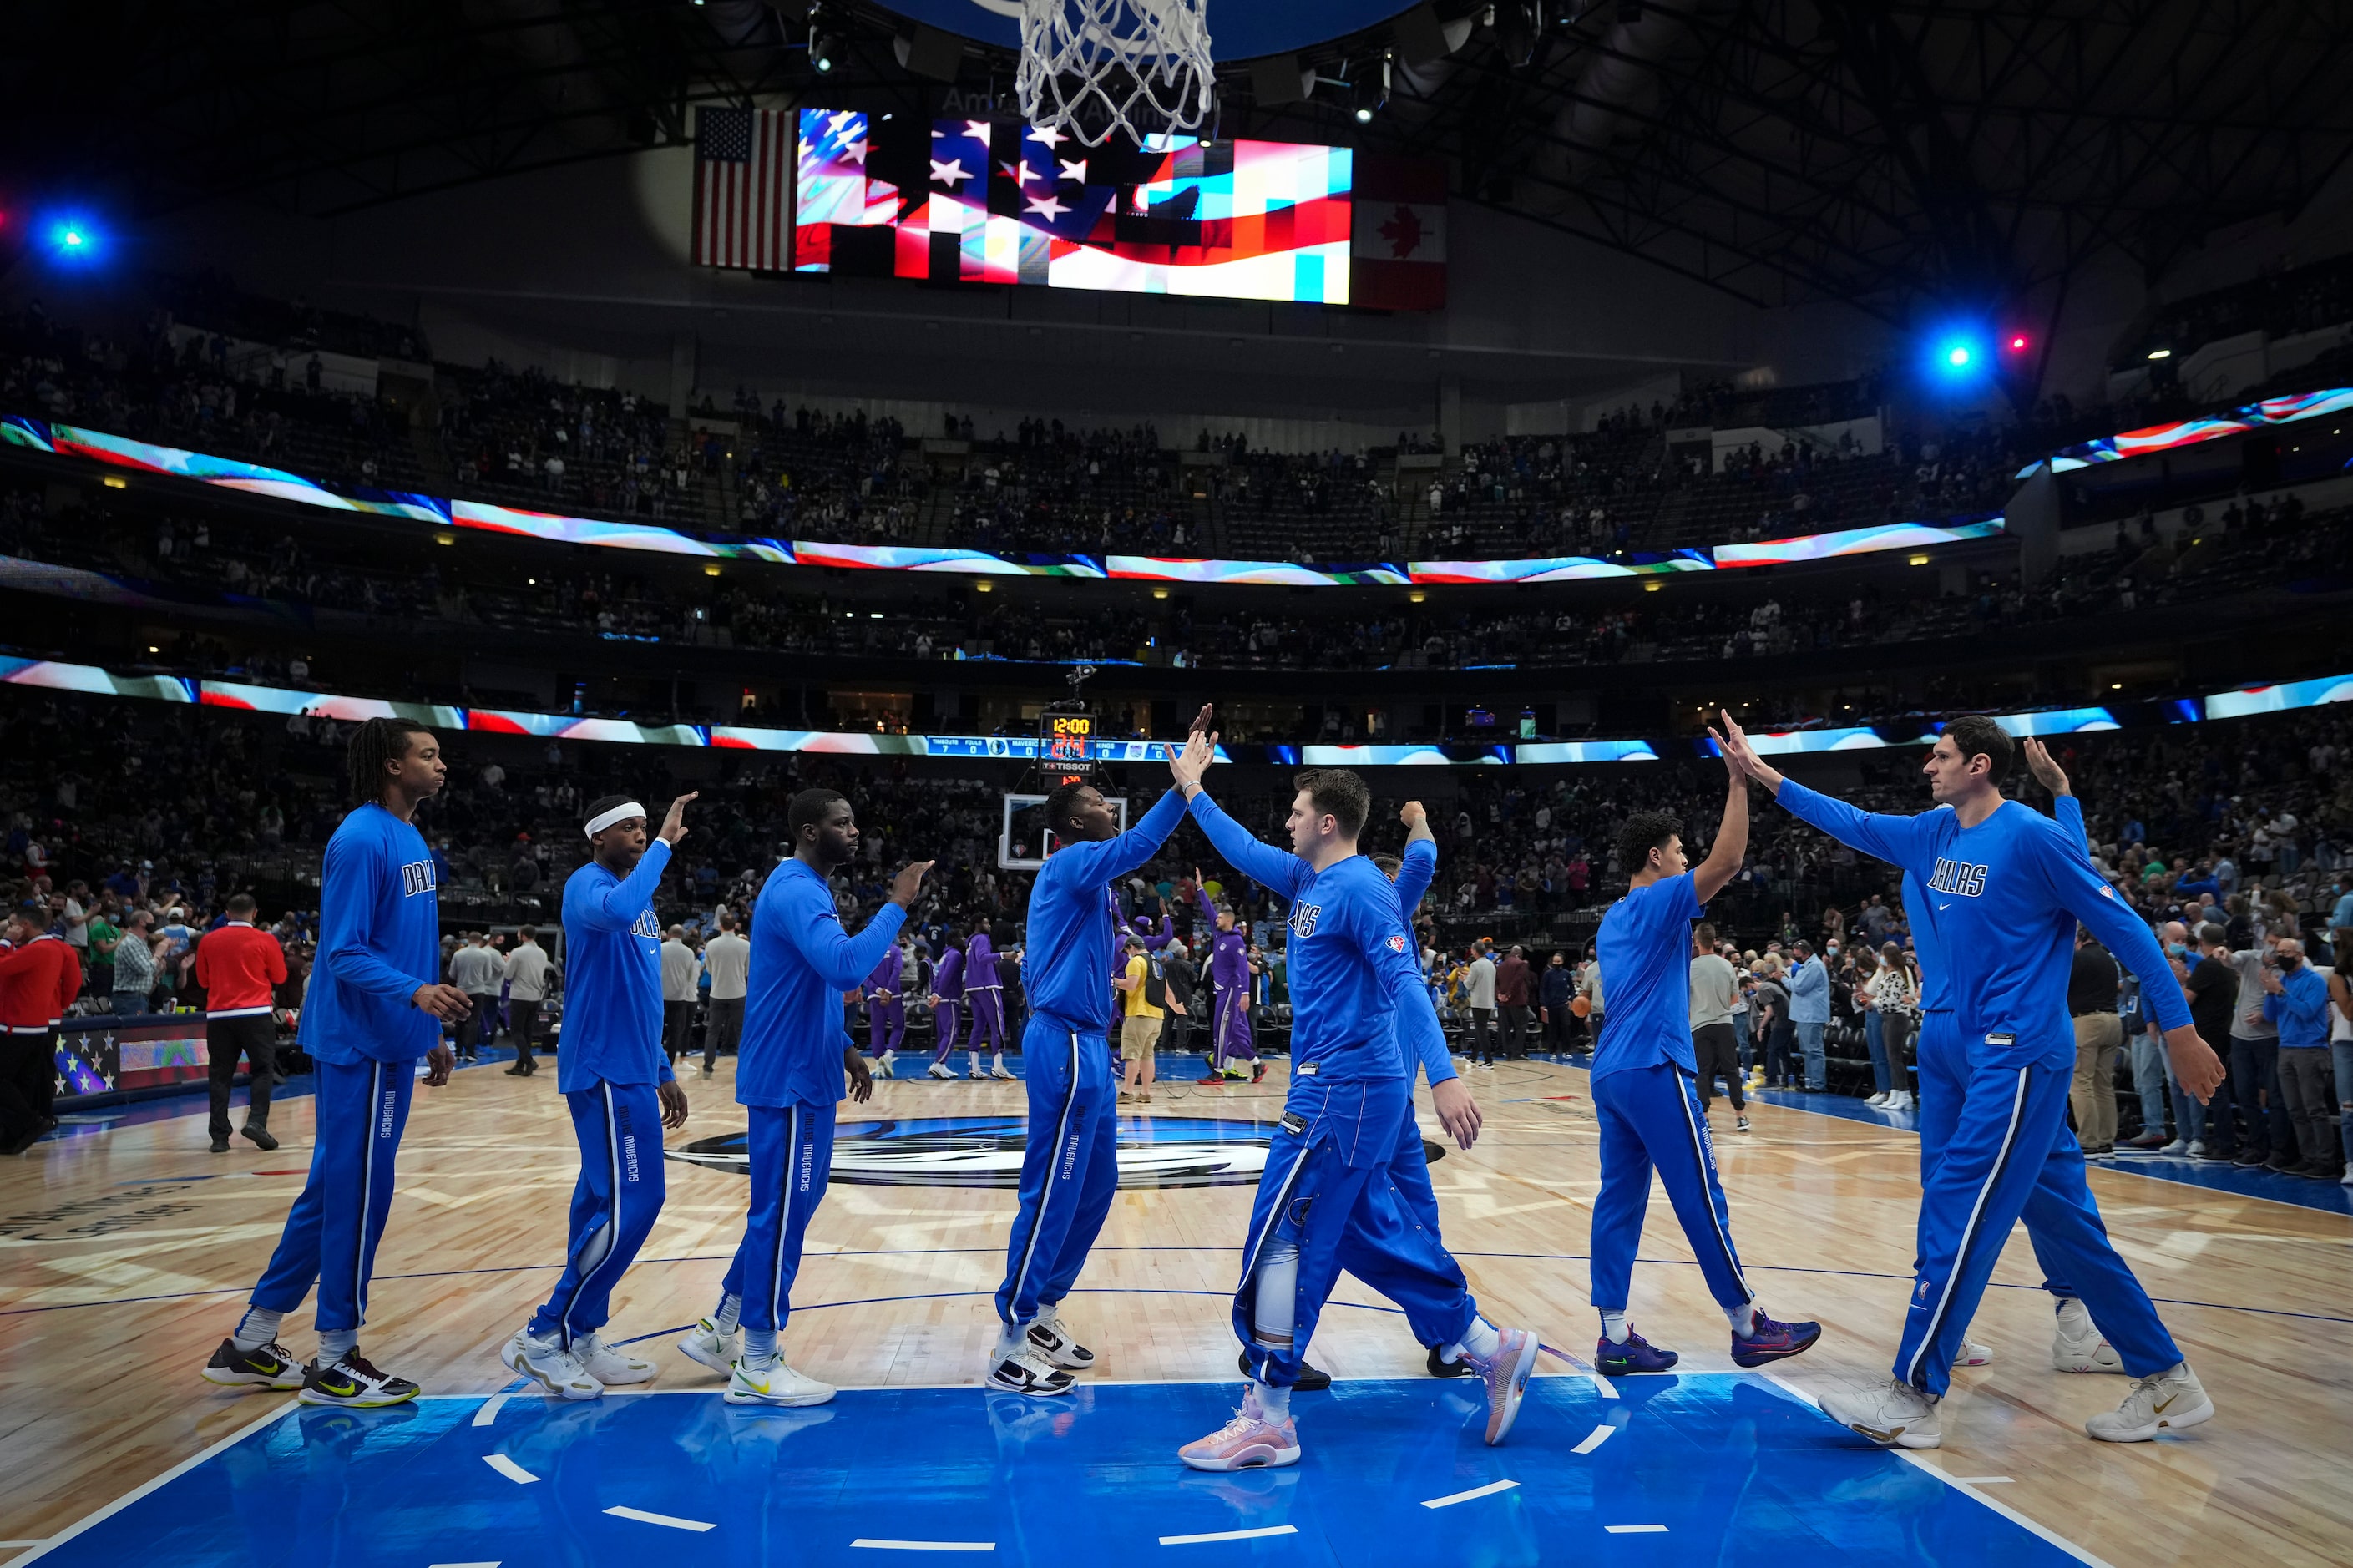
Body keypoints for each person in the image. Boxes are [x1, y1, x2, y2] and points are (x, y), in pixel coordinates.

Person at [1719, 712, 2226, 1447]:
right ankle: (2168, 1381)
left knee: (1960, 1207)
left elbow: (2127, 930)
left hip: (2017, 1049)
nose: (1929, 765)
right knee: (2067, 1226)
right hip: (1955, 1044)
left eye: (1943, 755)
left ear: (1980, 765)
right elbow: (1850, 820)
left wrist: (2177, 1029)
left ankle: (1914, 1393)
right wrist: (1764, 777)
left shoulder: (2030, 834)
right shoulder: (1933, 834)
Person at [1171, 734, 1538, 1471]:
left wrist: (1443, 1075)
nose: (1287, 824)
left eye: (1298, 812)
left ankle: (1269, 1416)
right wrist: (1191, 789)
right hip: (1333, 1087)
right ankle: (1488, 1347)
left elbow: (1408, 986)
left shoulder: (1366, 890)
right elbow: (1241, 847)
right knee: (1363, 1232)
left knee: (1284, 1239)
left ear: (1327, 823)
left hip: (1345, 1089)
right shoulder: (1308, 882)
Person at [200, 717, 471, 1406]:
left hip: (393, 1037)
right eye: (428, 755)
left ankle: (252, 1341)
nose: (442, 766)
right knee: (359, 1196)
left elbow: (401, 944)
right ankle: (335, 1357)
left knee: (330, 1196)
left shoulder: (409, 836)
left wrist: (426, 1025)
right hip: (362, 1045)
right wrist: (416, 995)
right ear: (390, 764)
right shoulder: (358, 838)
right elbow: (343, 951)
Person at [678, 790, 931, 1406]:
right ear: (812, 831)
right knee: (781, 1213)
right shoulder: (795, 888)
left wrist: (844, 1045)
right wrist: (896, 905)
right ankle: (758, 1361)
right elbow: (844, 968)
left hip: (808, 1070)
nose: (855, 831)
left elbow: (806, 985)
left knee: (789, 1206)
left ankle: (721, 1329)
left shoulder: (808, 889)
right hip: (788, 1081)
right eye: (843, 823)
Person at [1588, 726, 1817, 1377]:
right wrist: (1739, 783)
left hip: (1611, 1072)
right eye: (1678, 850)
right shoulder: (1662, 901)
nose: (1686, 858)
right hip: (1656, 1065)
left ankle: (1612, 1334)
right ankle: (1748, 1325)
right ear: (1657, 858)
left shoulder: (1613, 916)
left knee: (1619, 1203)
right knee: (1700, 1196)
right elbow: (1727, 862)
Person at [985, 760, 1192, 1395]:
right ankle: (1010, 1341)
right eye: (1103, 804)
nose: (1112, 810)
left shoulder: (1094, 887)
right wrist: (1186, 789)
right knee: (1051, 1188)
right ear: (1078, 822)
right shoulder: (1071, 862)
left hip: (1089, 1044)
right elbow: (1139, 844)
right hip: (1064, 1045)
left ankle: (1044, 1307)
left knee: (1096, 1184)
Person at [503, 792, 697, 1399]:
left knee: (598, 1205)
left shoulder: (637, 902)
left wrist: (662, 1065)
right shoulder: (588, 889)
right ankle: (542, 1333)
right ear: (598, 838)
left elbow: (639, 991)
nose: (640, 834)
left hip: (634, 1068)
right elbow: (618, 911)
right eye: (629, 828)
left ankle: (580, 1334)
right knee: (638, 1200)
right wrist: (665, 844)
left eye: (646, 827)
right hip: (604, 1071)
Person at [194, 893, 288, 1154]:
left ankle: (219, 1137)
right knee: (262, 1069)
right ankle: (256, 1122)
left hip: (219, 1015)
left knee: (220, 1074)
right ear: (255, 913)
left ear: (227, 913)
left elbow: (203, 981)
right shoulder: (265, 940)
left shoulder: (208, 941)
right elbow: (279, 976)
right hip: (256, 1013)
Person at [0, 908, 83, 1156]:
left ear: (24, 925)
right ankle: (17, 1132)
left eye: (12, 924)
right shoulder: (52, 949)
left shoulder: (38, 949)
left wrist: (6, 941)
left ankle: (32, 1121)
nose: (8, 927)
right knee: (24, 1081)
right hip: (37, 1023)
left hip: (20, 1024)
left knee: (9, 1079)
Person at [2262, 939, 2341, 1179]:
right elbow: (2269, 1015)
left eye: (2287, 952)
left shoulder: (2314, 981)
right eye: (2279, 953)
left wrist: (2281, 993)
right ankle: (2308, 1157)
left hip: (2310, 1049)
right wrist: (2270, 991)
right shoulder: (2282, 981)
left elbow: (2307, 1012)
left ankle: (2326, 1160)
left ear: (2300, 954)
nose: (2282, 956)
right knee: (2295, 1109)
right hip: (2286, 1048)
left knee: (2314, 1108)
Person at [1194, 873, 1264, 1081]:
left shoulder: (1236, 942)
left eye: (1221, 917)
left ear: (1229, 921)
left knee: (1221, 1029)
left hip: (1232, 990)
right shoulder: (1219, 933)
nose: (1216, 919)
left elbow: (1243, 968)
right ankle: (1255, 1064)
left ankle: (1218, 1072)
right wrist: (1199, 888)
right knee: (1234, 1031)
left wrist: (1244, 992)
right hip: (1222, 990)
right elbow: (1208, 911)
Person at [2068, 928, 2124, 1156]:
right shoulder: (2110, 961)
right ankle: (2106, 1139)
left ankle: (2088, 1140)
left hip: (2087, 1021)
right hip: (2113, 1021)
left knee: (2081, 1081)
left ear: (2081, 938)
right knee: (2104, 1084)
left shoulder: (2078, 958)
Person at [1688, 922, 1747, 1130]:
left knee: (1702, 1072)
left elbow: (1685, 1000)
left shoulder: (1691, 967)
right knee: (1731, 1070)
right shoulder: (1727, 965)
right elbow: (1734, 998)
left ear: (1696, 942)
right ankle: (1740, 1116)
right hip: (1724, 1023)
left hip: (1699, 1024)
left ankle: (1704, 1117)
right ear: (1715, 941)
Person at [1116, 934, 1164, 1105]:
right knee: (1147, 1055)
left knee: (1132, 1054)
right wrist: (1176, 1007)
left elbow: (1130, 984)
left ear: (1132, 948)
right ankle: (1145, 1093)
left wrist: (1112, 981)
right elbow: (1167, 990)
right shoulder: (1156, 962)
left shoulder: (1136, 961)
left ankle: (1127, 1092)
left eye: (1127, 950)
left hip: (1139, 1013)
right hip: (1157, 1015)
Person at [701, 911, 751, 1076]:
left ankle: (707, 1067)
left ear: (720, 925)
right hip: (738, 992)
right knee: (741, 1032)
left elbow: (709, 970)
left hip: (717, 993)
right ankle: (746, 1069)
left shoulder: (711, 945)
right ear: (735, 925)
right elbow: (747, 971)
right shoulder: (745, 946)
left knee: (713, 1031)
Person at [965, 922, 1013, 1079]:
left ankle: (975, 1067)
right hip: (987, 985)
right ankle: (998, 1067)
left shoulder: (970, 941)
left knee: (978, 1026)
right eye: (986, 922)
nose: (989, 925)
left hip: (973, 987)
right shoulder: (982, 939)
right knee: (998, 1026)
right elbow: (983, 958)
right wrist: (1003, 955)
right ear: (978, 925)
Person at [449, 931, 503, 1062]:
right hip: (478, 991)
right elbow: (488, 975)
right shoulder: (485, 955)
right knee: (474, 1021)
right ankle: (470, 1052)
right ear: (480, 942)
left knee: (459, 1022)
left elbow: (452, 974)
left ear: (468, 940)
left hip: (461, 990)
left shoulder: (458, 954)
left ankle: (457, 1052)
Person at [504, 925, 553, 1076]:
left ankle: (529, 1060)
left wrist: (508, 961)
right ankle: (520, 1065)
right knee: (527, 1031)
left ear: (523, 936)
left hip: (520, 995)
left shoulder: (517, 952)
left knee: (516, 1030)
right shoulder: (542, 953)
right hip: (535, 996)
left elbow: (508, 974)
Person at [1786, 938, 1829, 1090]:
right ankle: (1810, 1081)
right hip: (1804, 1014)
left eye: (1799, 956)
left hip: (1812, 1014)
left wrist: (1783, 979)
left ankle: (1818, 1084)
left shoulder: (1815, 966)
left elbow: (1800, 987)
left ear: (1807, 953)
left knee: (1814, 1050)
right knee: (1807, 1051)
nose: (1797, 958)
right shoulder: (1807, 965)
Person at [863, 935, 908, 1080]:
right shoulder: (895, 950)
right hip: (893, 994)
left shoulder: (870, 952)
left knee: (877, 1029)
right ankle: (888, 1055)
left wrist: (877, 990)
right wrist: (888, 991)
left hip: (875, 995)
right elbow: (896, 971)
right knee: (898, 1026)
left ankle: (878, 1066)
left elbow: (864, 975)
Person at [924, 935, 966, 1080]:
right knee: (951, 1033)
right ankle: (938, 1063)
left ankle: (941, 1064)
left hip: (942, 999)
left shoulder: (945, 955)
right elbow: (947, 977)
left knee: (943, 1034)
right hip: (949, 999)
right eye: (962, 937)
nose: (964, 939)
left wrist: (935, 994)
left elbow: (937, 977)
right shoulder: (956, 955)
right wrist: (939, 995)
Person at [660, 925, 699, 1067]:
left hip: (661, 996)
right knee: (675, 1031)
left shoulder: (661, 948)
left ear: (669, 935)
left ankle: (654, 1060)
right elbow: (689, 976)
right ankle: (669, 1063)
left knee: (657, 1030)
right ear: (681, 936)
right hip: (679, 998)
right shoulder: (689, 953)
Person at [1464, 940, 1498, 1067]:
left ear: (1475, 951)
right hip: (1489, 1001)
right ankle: (1473, 1056)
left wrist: (1464, 979)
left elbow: (1469, 984)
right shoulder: (1491, 965)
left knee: (1482, 1030)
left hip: (1478, 1002)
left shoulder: (1475, 965)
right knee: (1481, 1029)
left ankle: (1489, 1060)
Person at [1495, 945, 1531, 1061]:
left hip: (1502, 1002)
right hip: (1517, 1000)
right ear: (1519, 954)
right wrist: (1509, 995)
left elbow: (1496, 983)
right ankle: (1517, 1052)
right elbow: (1517, 981)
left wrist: (1499, 995)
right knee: (1521, 1026)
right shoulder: (1521, 964)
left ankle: (1508, 1053)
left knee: (1505, 1028)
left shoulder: (1500, 966)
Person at [1539, 950, 1573, 1056]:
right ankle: (1552, 1051)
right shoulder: (1548, 974)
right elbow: (1543, 989)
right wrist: (1543, 1003)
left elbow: (1571, 988)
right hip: (1551, 1005)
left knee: (1565, 1028)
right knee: (1552, 1029)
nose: (1556, 963)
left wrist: (1570, 999)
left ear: (1562, 962)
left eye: (1558, 961)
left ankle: (1566, 1050)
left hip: (1563, 1004)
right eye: (1555, 961)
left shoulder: (1566, 974)